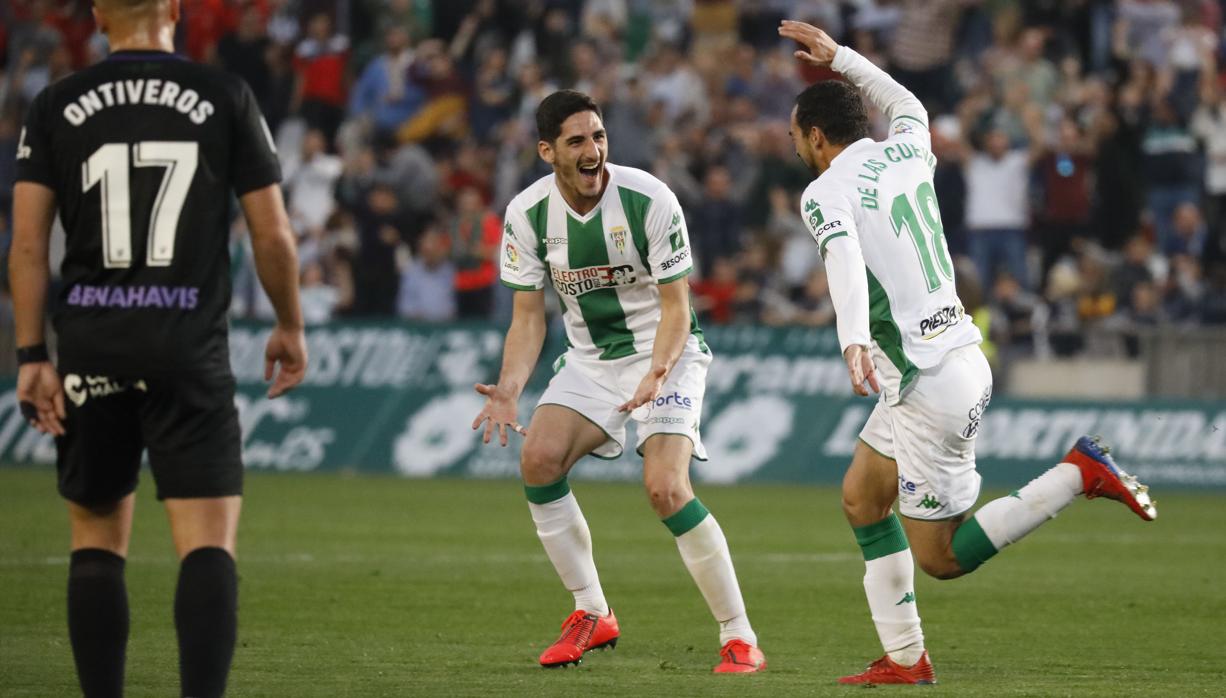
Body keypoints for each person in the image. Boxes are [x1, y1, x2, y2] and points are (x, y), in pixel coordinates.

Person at [778, 20, 1156, 686]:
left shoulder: (825, 190)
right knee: (863, 499)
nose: (796, 148)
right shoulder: (908, 148)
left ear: (814, 136)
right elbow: (907, 102)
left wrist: (852, 337)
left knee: (942, 559)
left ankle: (1077, 473)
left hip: (927, 383)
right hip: (947, 359)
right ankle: (904, 660)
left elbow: (840, 256)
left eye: (794, 136)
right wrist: (840, 57)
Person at [10, 1, 308, 696]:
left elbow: (27, 245)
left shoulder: (56, 103)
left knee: (95, 545)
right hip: (188, 348)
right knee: (206, 543)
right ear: (174, 9)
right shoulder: (223, 95)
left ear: (96, 15)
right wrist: (290, 324)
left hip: (90, 347)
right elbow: (273, 235)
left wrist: (31, 355)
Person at [471, 90, 766, 674]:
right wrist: (508, 389)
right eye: (577, 141)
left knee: (665, 488)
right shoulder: (527, 214)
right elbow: (528, 319)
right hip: (591, 361)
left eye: (599, 137)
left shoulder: (649, 198)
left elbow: (677, 306)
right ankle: (592, 611)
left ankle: (739, 636)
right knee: (539, 458)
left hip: (667, 354)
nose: (594, 151)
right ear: (547, 150)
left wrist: (658, 370)